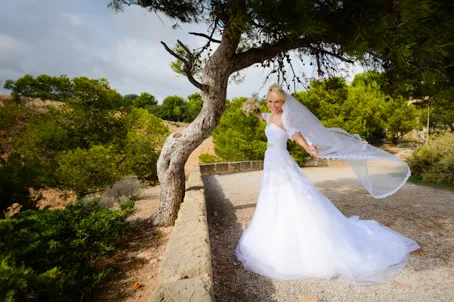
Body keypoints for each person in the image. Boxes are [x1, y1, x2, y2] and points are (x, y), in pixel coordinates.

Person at [235, 84, 420, 284]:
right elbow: (264, 117)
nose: (273, 105)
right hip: (271, 161)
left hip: (281, 160)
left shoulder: (286, 118)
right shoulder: (269, 116)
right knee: (272, 195)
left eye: (277, 102)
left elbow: (296, 135)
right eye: (270, 101)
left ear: (284, 102)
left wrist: (308, 148)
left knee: (293, 195)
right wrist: (253, 111)